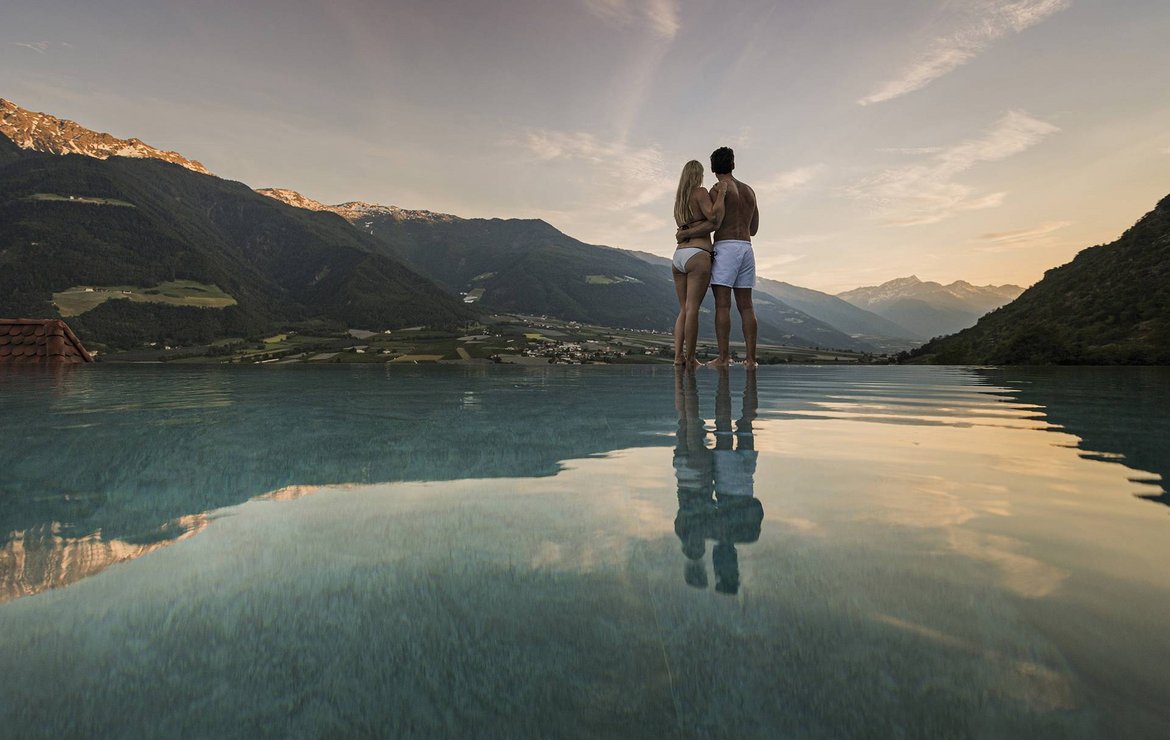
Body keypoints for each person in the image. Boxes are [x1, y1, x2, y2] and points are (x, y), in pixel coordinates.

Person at [676, 147, 759, 368]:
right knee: (747, 306)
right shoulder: (750, 191)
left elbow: (714, 222)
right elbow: (754, 229)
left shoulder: (716, 189)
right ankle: (751, 360)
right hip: (747, 248)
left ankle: (723, 358)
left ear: (713, 169)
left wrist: (685, 232)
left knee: (723, 305)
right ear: (733, 165)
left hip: (726, 246)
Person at [671, 160, 727, 368]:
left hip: (678, 257)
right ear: (698, 175)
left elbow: (686, 227)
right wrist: (721, 194)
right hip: (698, 254)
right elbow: (713, 216)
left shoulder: (679, 201)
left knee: (683, 309)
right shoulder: (700, 192)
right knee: (693, 307)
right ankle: (690, 358)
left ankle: (678, 357)